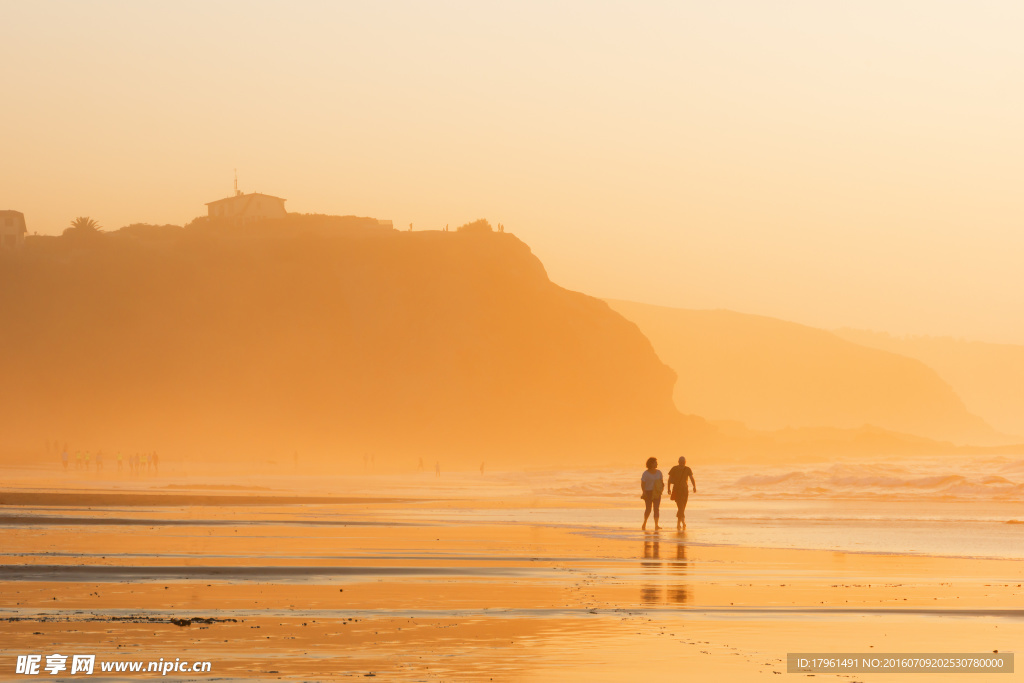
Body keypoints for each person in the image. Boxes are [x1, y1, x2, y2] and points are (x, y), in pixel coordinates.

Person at [667, 456, 697, 530]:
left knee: (683, 507)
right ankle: (681, 523)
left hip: (685, 491)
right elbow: (669, 480)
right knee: (681, 507)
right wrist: (668, 489)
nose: (682, 463)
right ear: (678, 462)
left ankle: (680, 523)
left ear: (685, 462)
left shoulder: (687, 469)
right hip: (677, 490)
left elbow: (691, 478)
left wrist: (694, 486)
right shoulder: (674, 468)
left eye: (683, 462)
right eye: (681, 462)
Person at [640, 457, 664, 531]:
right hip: (648, 492)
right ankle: (644, 523)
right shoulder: (646, 473)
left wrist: (661, 489)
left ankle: (656, 525)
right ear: (651, 463)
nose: (657, 464)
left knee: (656, 509)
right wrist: (643, 492)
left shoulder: (659, 472)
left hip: (656, 492)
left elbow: (661, 482)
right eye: (655, 462)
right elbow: (642, 483)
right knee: (648, 509)